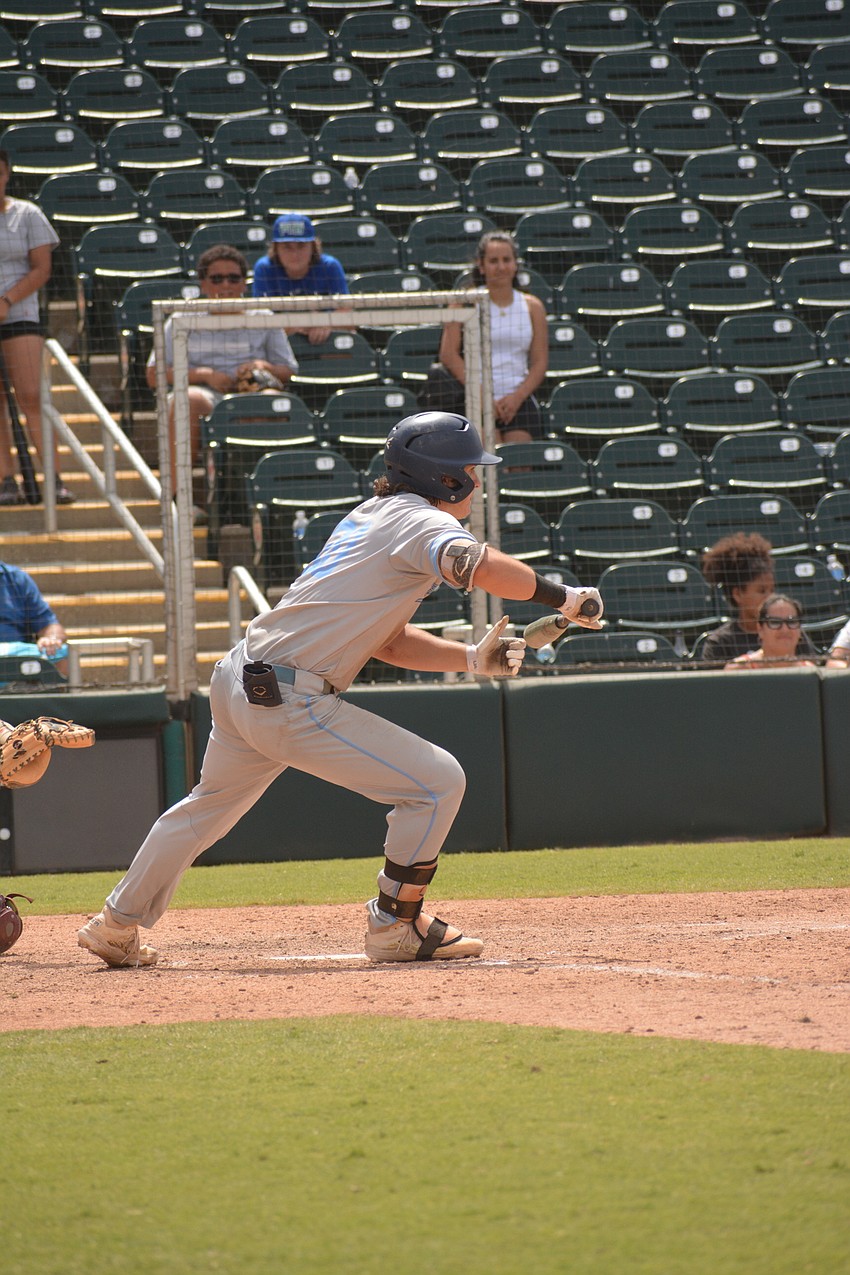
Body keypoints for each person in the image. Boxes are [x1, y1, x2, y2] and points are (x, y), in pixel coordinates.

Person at [77, 410, 603, 969]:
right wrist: (563, 597)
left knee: (204, 809)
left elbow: (390, 643)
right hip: (286, 695)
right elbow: (476, 565)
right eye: (469, 468)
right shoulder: (421, 523)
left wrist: (471, 658)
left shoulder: (376, 515)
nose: (477, 479)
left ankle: (116, 924)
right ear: (445, 479)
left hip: (242, 677)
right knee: (437, 782)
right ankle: (395, 925)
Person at [145, 244, 297, 498]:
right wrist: (204, 375)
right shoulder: (183, 318)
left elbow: (288, 370)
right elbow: (154, 375)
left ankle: (267, 494)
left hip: (250, 395)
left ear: (244, 283)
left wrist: (262, 367)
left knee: (274, 400)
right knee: (186, 399)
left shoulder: (263, 314)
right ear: (203, 284)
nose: (225, 284)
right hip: (206, 397)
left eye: (233, 278)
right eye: (216, 278)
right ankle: (176, 498)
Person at [0, 149, 74, 507]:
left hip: (21, 314)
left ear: (7, 174)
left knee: (31, 395)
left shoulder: (28, 214)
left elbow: (41, 269)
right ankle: (5, 480)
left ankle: (54, 479)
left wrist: (7, 300)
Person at [427, 230, 548, 444]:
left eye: (506, 260)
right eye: (493, 261)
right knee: (484, 456)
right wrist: (481, 395)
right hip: (474, 396)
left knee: (519, 459)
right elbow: (448, 354)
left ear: (515, 264)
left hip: (517, 398)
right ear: (481, 266)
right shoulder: (463, 302)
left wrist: (517, 398)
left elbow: (540, 362)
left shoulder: (533, 307)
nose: (501, 267)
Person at [699, 531, 818, 663]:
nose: (770, 597)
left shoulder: (789, 632)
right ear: (738, 594)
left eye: (772, 590)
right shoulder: (720, 643)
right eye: (761, 591)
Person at [251, 213, 349, 345]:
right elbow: (260, 322)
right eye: (287, 247)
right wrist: (298, 322)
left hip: (324, 342)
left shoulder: (330, 266)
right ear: (276, 249)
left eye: (301, 246)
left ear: (313, 246)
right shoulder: (264, 269)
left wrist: (327, 323)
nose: (295, 254)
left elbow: (348, 315)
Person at [0, 559, 67, 675]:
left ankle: (62, 692)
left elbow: (50, 625)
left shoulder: (17, 579)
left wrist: (51, 639)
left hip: (16, 657)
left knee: (60, 653)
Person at [724, 594, 817, 669]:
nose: (784, 629)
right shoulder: (738, 669)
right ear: (760, 629)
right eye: (775, 622)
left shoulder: (809, 671)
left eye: (791, 622)